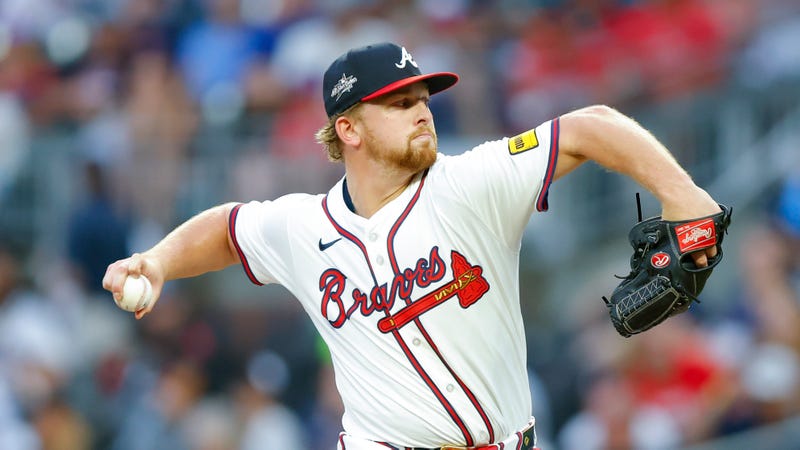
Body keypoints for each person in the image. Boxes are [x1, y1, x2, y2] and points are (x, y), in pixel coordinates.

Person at [103, 42, 723, 449]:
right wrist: (157, 261)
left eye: (423, 100)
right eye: (398, 104)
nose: (422, 113)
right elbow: (229, 229)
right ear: (347, 129)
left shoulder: (470, 183)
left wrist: (686, 197)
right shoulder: (304, 227)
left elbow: (590, 128)